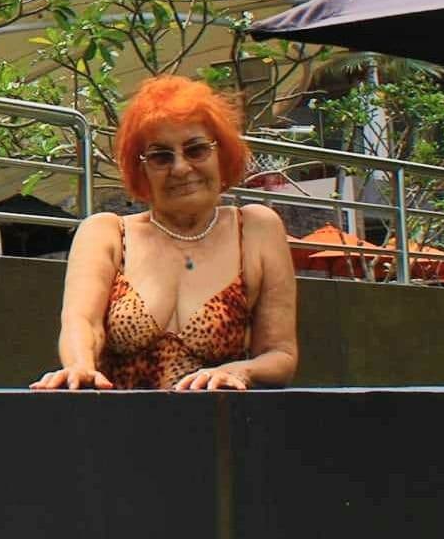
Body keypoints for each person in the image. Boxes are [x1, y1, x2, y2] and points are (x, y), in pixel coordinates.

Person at [30, 75, 298, 391]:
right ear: (140, 167)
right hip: (122, 429)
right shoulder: (107, 233)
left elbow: (280, 353)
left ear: (221, 154)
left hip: (220, 430)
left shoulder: (256, 228)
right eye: (161, 156)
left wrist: (241, 371)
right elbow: (82, 324)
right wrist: (79, 366)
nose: (181, 168)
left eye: (196, 150)